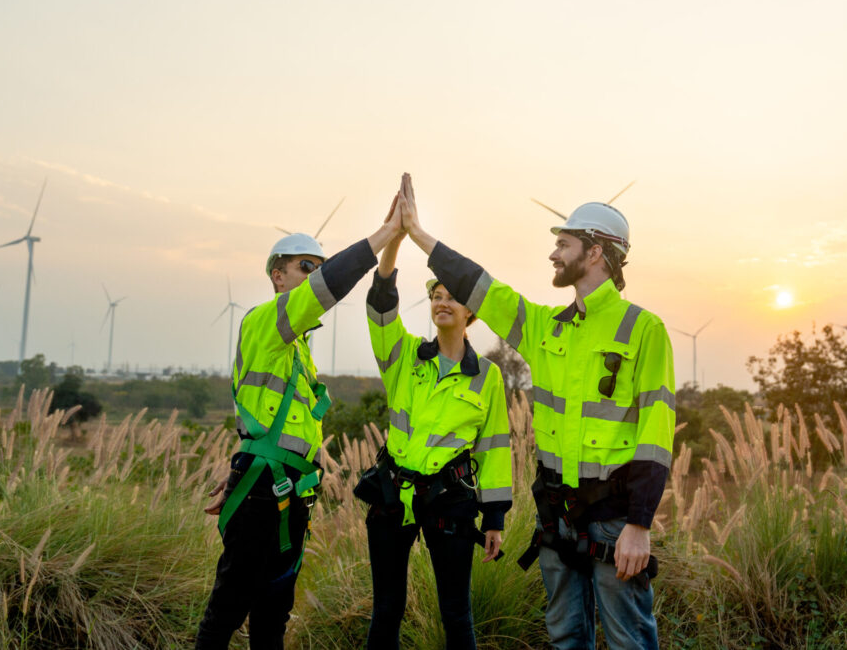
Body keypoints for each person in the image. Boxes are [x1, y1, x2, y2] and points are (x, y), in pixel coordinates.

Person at [397, 173, 675, 649]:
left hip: (614, 519)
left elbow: (656, 432)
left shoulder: (644, 330)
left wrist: (639, 525)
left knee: (630, 640)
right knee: (565, 636)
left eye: (563, 244)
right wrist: (419, 235)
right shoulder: (545, 327)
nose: (552, 253)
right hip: (557, 517)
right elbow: (481, 287)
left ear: (594, 252)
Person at [195, 200, 404, 650]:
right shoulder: (265, 322)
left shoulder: (297, 350)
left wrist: (240, 464)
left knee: (273, 616)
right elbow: (329, 288)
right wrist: (384, 236)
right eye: (306, 266)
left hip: (286, 495)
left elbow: (263, 421)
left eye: (318, 267)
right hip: (261, 495)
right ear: (278, 275)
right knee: (228, 609)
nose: (315, 274)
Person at [354, 183, 513, 650]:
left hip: (452, 503)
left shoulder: (488, 377)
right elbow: (381, 307)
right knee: (386, 610)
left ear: (470, 313)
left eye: (452, 296)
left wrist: (495, 518)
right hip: (393, 495)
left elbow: (495, 449)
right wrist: (395, 241)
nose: (442, 301)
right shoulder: (404, 356)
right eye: (436, 295)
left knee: (456, 615)